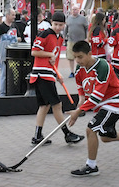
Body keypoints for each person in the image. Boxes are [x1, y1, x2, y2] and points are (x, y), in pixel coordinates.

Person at [66, 40, 119, 176]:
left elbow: (97, 96)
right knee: (105, 137)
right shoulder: (79, 69)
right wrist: (79, 106)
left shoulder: (103, 66)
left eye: (80, 57)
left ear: (89, 53)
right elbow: (82, 94)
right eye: (75, 57)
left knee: (91, 129)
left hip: (114, 102)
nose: (77, 60)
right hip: (102, 105)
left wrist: (78, 112)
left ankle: (91, 166)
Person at [28, 11, 84, 145]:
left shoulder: (59, 37)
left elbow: (54, 58)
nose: (58, 27)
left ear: (65, 24)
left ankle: (37, 136)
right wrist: (49, 55)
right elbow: (34, 51)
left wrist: (57, 74)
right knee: (57, 105)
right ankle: (67, 134)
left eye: (60, 24)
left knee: (44, 105)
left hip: (48, 73)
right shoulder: (45, 33)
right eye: (55, 24)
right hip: (42, 74)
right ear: (51, 23)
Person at [0, 10, 18, 96]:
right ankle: (3, 92)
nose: (14, 17)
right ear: (7, 15)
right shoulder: (1, 27)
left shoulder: (14, 26)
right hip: (5, 53)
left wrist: (14, 39)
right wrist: (7, 39)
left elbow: (19, 37)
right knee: (4, 73)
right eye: (12, 15)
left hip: (14, 52)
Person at [64, 6, 88, 77]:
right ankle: (72, 72)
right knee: (70, 57)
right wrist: (64, 36)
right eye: (73, 9)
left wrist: (87, 37)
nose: (74, 11)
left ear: (78, 10)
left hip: (81, 41)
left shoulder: (83, 19)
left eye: (76, 9)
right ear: (71, 10)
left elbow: (87, 28)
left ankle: (81, 71)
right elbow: (66, 28)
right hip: (71, 40)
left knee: (81, 56)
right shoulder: (69, 19)